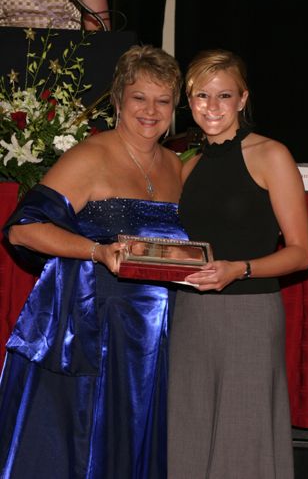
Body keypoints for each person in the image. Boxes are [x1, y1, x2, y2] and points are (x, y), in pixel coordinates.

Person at [0, 44, 184, 478]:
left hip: (156, 334)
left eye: (163, 100)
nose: (151, 110)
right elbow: (21, 228)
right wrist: (97, 251)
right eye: (140, 97)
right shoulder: (91, 155)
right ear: (118, 99)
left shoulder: (176, 166)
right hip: (95, 328)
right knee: (85, 445)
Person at [168, 49, 308, 479]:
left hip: (248, 312)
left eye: (224, 95)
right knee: (188, 432)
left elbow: (302, 253)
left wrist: (239, 269)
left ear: (243, 99)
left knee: (243, 435)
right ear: (189, 101)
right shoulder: (188, 165)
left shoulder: (272, 155)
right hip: (190, 313)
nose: (211, 107)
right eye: (200, 96)